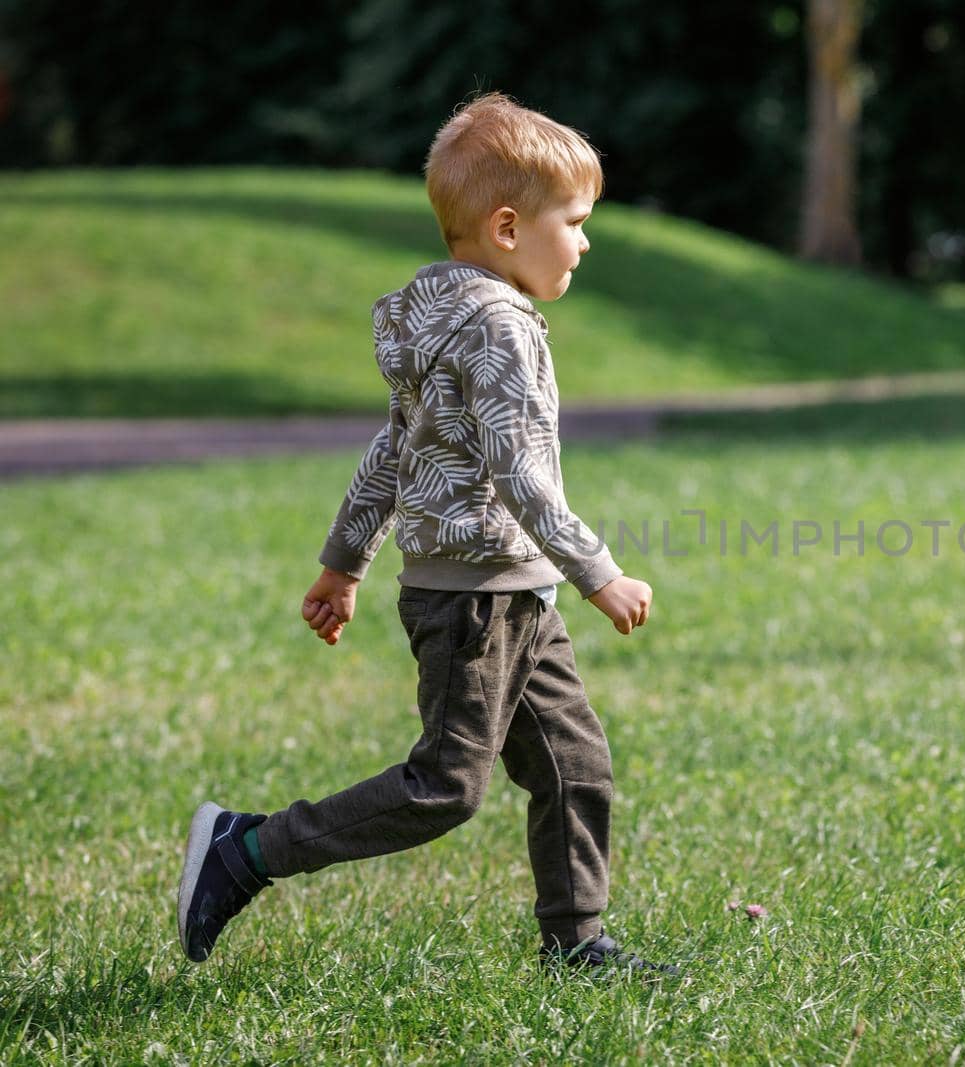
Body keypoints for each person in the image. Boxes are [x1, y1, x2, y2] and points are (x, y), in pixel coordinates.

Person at [176, 92, 680, 977]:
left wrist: (342, 562)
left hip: (512, 593)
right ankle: (245, 850)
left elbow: (393, 451)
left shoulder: (442, 316)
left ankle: (577, 942)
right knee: (445, 785)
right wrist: (600, 572)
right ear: (510, 227)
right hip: (474, 601)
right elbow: (522, 472)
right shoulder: (496, 327)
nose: (587, 240)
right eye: (576, 221)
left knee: (575, 765)